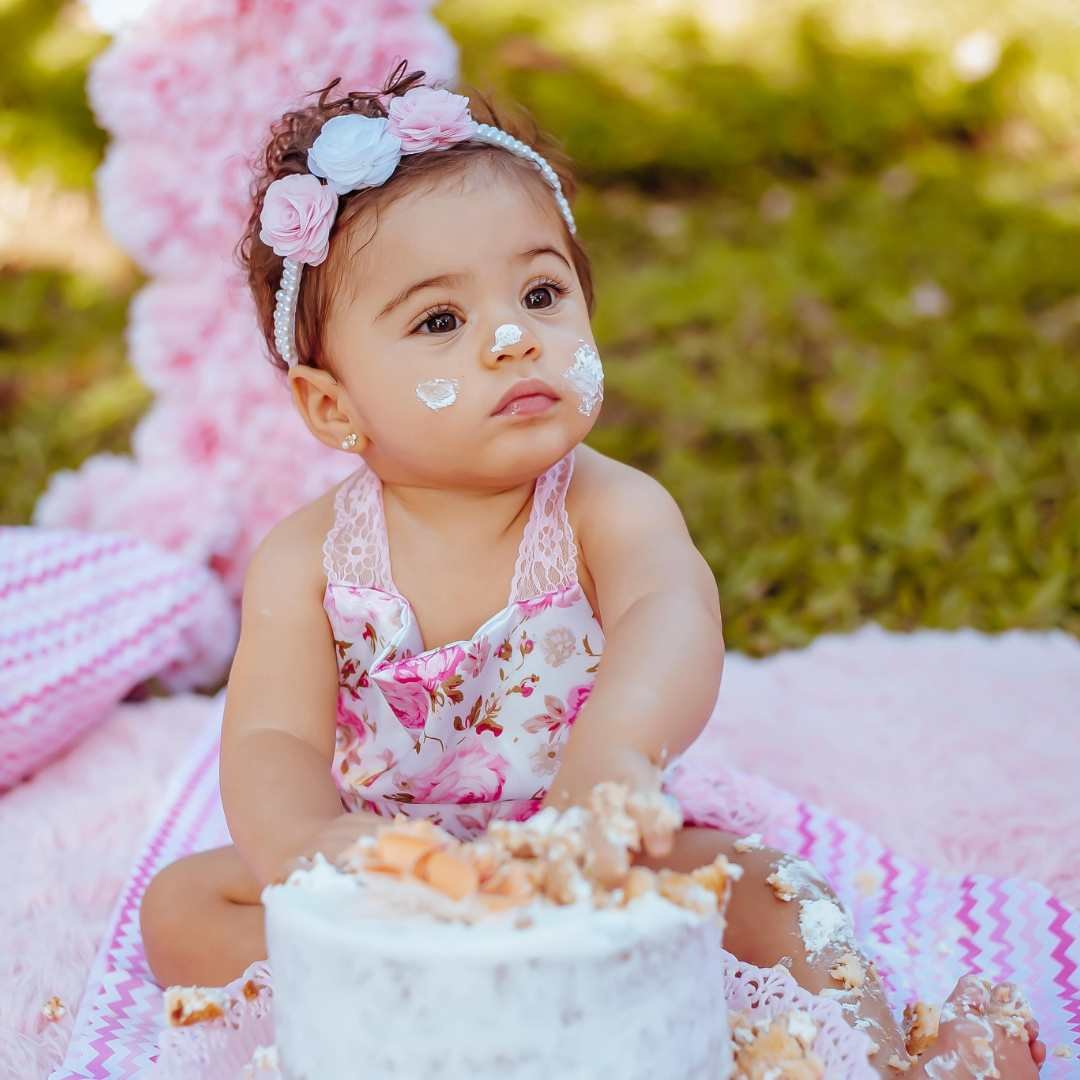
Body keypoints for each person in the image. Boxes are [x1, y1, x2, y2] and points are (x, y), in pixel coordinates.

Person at [139, 61, 1044, 1077]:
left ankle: (874, 1057)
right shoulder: (309, 560)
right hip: (405, 879)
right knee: (181, 910)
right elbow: (269, 738)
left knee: (776, 891)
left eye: (540, 292)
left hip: (597, 847)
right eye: (443, 321)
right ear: (332, 408)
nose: (514, 337)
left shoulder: (608, 510)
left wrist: (612, 758)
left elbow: (672, 616)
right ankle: (449, 1011)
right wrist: (320, 853)